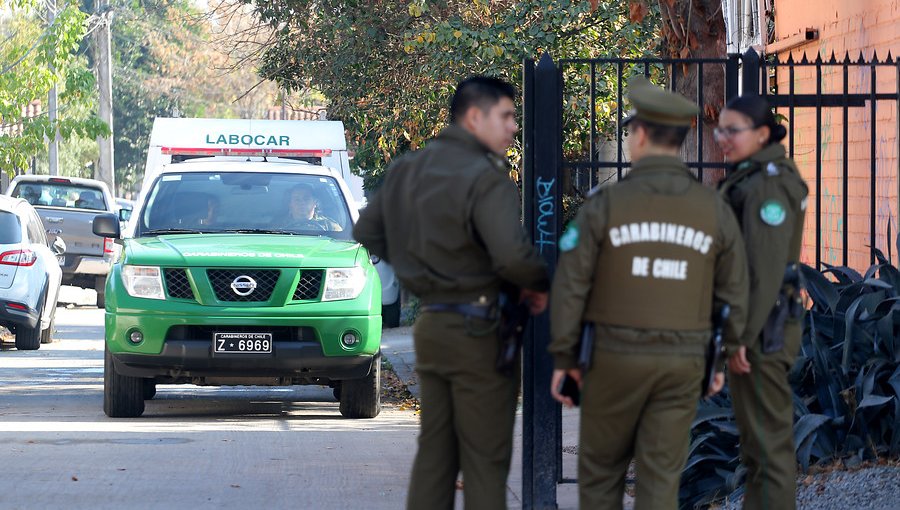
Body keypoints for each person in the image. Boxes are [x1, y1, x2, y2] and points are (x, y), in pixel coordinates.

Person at [548, 77, 749, 510]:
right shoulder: (714, 209)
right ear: (677, 141)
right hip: (681, 364)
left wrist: (566, 359)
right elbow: (734, 289)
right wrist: (721, 356)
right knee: (660, 484)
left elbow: (570, 284)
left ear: (639, 136)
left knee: (601, 481)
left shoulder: (603, 206)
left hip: (612, 362)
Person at [353, 76, 550, 510]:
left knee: (436, 454)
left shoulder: (409, 168)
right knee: (484, 458)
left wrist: (413, 267)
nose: (513, 127)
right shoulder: (486, 176)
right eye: (506, 116)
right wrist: (540, 284)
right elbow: (513, 257)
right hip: (479, 331)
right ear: (475, 117)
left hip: (433, 322)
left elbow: (365, 229)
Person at [715, 94, 809, 510]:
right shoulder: (750, 176)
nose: (723, 139)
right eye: (720, 129)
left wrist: (737, 338)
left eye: (732, 130)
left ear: (763, 133)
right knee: (756, 448)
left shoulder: (768, 183)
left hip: (762, 331)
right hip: (755, 326)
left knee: (768, 449)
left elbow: (765, 272)